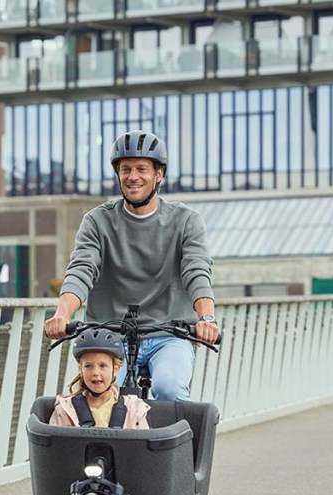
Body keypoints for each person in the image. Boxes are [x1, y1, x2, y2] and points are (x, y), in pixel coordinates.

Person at [43, 129, 220, 401]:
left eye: (141, 169)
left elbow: (197, 271)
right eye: (125, 169)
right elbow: (81, 270)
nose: (133, 177)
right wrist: (62, 315)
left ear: (158, 175)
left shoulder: (186, 221)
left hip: (169, 334)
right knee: (101, 392)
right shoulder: (97, 221)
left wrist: (206, 318)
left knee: (168, 389)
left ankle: (177, 444)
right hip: (111, 335)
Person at [50, 328, 150, 429]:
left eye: (102, 366)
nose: (96, 373)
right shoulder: (65, 409)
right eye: (88, 366)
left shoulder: (134, 409)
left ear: (115, 369)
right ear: (80, 369)